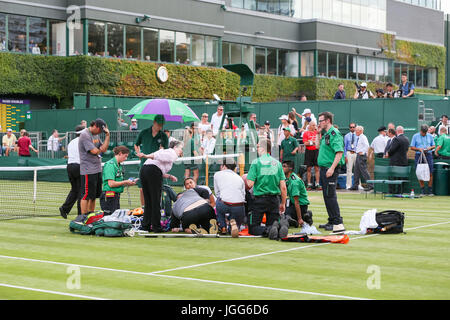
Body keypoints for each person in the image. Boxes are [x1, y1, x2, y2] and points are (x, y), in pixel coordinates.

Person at [246, 137, 288, 240]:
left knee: (253, 228)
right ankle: (276, 228)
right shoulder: (277, 164)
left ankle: (268, 230)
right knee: (272, 223)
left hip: (259, 199)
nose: (257, 148)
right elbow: (283, 187)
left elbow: (250, 184)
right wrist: (283, 203)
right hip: (274, 199)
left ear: (263, 148)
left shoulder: (256, 162)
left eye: (258, 146)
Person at [139, 140, 183, 232]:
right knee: (155, 201)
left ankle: (146, 226)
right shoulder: (172, 153)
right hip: (151, 171)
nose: (181, 151)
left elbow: (157, 166)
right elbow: (156, 158)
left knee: (149, 201)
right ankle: (156, 227)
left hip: (145, 170)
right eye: (180, 148)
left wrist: (169, 176)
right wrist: (146, 156)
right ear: (175, 147)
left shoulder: (166, 152)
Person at [315, 111, 345, 233]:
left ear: (327, 121)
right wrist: (317, 134)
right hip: (324, 168)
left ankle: (337, 222)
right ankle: (332, 220)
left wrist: (332, 168)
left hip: (329, 169)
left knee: (331, 196)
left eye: (321, 120)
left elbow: (339, 152)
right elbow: (317, 146)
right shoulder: (326, 134)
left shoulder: (334, 133)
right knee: (327, 196)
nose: (319, 123)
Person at [134, 114, 169, 207]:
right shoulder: (144, 132)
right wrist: (138, 153)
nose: (160, 127)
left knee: (157, 189)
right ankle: (143, 208)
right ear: (154, 122)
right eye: (159, 124)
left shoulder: (164, 136)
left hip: (157, 166)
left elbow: (166, 151)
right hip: (144, 164)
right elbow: (136, 144)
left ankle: (157, 208)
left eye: (162, 125)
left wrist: (162, 150)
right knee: (142, 188)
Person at [78, 118, 110, 215]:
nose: (100, 132)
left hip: (97, 169)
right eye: (100, 130)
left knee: (93, 196)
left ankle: (90, 215)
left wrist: (107, 136)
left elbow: (103, 149)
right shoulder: (85, 134)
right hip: (88, 170)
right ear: (95, 126)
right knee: (86, 195)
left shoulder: (96, 134)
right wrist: (100, 148)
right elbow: (94, 151)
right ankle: (83, 217)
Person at [100, 146, 136, 215]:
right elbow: (111, 184)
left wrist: (128, 183)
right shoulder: (110, 165)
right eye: (125, 156)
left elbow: (117, 182)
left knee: (115, 218)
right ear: (120, 153)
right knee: (110, 219)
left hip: (114, 196)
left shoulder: (118, 165)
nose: (126, 159)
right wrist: (125, 182)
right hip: (109, 196)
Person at [214, 160, 246, 238]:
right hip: (239, 206)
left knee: (218, 201)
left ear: (224, 166)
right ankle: (233, 224)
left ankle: (223, 227)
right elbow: (243, 194)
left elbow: (217, 193)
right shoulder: (239, 178)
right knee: (236, 208)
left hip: (224, 204)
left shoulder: (217, 174)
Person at [59, 125, 84, 219]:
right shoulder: (83, 141)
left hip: (70, 167)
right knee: (81, 191)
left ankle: (64, 208)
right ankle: (80, 214)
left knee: (75, 190)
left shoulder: (71, 142)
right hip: (78, 166)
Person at [282, 160, 310, 228]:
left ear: (290, 168)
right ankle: (303, 216)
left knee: (284, 217)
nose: (282, 168)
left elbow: (296, 201)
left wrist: (299, 219)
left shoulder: (294, 182)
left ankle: (299, 219)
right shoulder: (287, 178)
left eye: (284, 166)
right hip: (292, 203)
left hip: (300, 205)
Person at [410, 124, 435, 196]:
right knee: (420, 172)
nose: (424, 134)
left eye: (425, 133)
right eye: (422, 132)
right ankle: (422, 191)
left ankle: (430, 191)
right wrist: (419, 149)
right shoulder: (415, 136)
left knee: (430, 172)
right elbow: (412, 147)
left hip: (428, 155)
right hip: (419, 155)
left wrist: (429, 148)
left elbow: (433, 145)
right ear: (420, 130)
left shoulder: (430, 136)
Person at [349, 126, 373, 191]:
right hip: (358, 155)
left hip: (361, 156)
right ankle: (355, 185)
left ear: (360, 131)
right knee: (356, 171)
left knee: (364, 171)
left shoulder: (363, 137)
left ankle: (371, 185)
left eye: (357, 130)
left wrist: (362, 152)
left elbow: (367, 145)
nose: (355, 131)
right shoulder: (359, 137)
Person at [302, 120, 321, 190]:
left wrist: (313, 142)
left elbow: (319, 142)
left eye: (315, 125)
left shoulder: (317, 133)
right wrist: (312, 142)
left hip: (316, 151)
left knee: (317, 168)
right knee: (309, 168)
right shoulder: (306, 133)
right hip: (309, 152)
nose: (314, 127)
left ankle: (317, 184)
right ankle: (309, 184)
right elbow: (305, 143)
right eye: (313, 125)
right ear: (309, 126)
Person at [344, 123, 357, 190]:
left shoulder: (357, 135)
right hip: (349, 152)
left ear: (355, 127)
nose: (352, 128)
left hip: (356, 153)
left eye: (353, 127)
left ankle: (358, 184)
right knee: (349, 169)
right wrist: (345, 155)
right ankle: (348, 184)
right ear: (349, 128)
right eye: (351, 127)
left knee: (357, 170)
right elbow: (345, 146)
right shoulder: (346, 136)